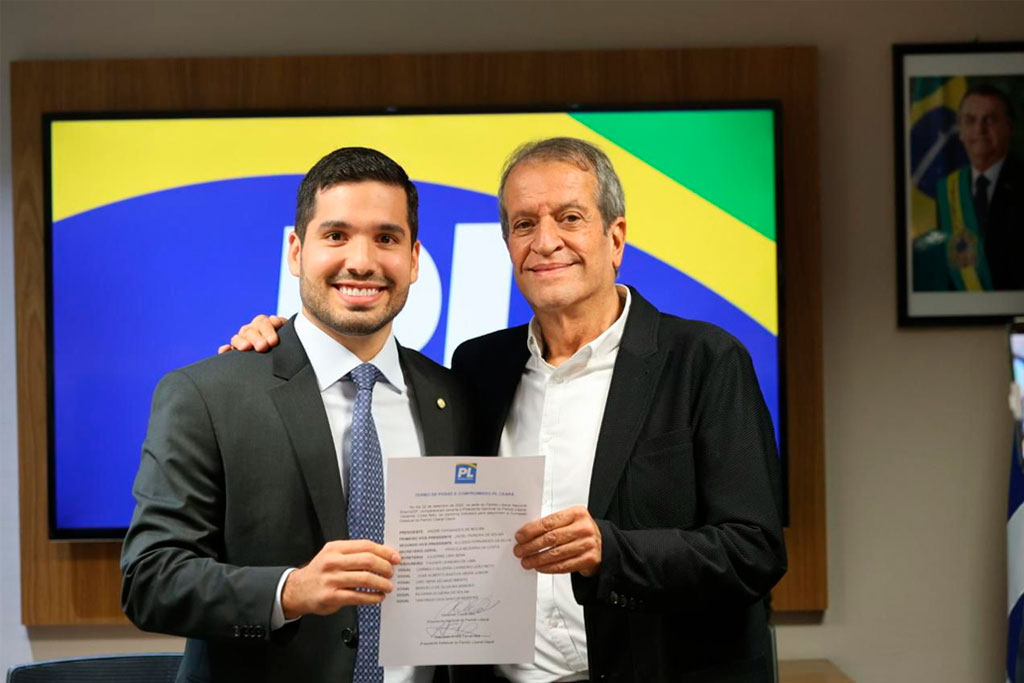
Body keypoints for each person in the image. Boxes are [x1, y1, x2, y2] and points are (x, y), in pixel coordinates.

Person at [231, 137, 787, 682]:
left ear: (615, 238)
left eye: (569, 218)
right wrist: (288, 341)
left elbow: (755, 551)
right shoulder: (479, 367)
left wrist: (611, 551)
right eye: (523, 224)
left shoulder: (704, 360)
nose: (545, 242)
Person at [121, 147, 472, 683]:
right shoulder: (206, 394)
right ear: (295, 250)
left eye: (386, 238)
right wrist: (291, 590)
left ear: (415, 258)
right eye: (335, 235)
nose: (362, 261)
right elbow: (150, 581)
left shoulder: (455, 398)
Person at [919, 83, 1024, 291]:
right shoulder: (947, 190)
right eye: (970, 120)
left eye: (990, 120)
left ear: (1009, 128)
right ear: (960, 131)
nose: (979, 130)